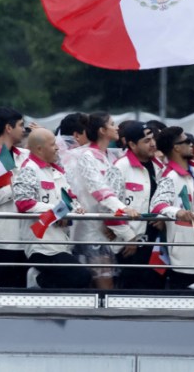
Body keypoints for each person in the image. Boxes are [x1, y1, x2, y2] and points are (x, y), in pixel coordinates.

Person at [14, 128, 92, 289]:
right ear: (39, 149)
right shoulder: (29, 169)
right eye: (52, 144)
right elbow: (24, 203)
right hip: (41, 244)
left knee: (74, 280)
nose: (57, 148)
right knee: (81, 276)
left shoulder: (56, 171)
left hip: (60, 242)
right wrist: (59, 210)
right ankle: (38, 282)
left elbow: (70, 198)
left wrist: (76, 209)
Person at [69, 112, 138, 290]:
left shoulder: (106, 158)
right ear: (102, 130)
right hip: (90, 235)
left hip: (104, 234)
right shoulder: (87, 157)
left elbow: (112, 194)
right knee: (104, 290)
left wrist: (119, 226)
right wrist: (123, 211)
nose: (117, 127)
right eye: (113, 124)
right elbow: (99, 190)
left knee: (103, 288)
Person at [150, 126, 194, 289]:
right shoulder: (170, 176)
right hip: (183, 242)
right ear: (176, 147)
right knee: (185, 287)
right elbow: (157, 205)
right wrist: (178, 212)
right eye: (187, 141)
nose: (192, 144)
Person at [112, 121, 165, 289]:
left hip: (155, 239)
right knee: (130, 286)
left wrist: (163, 219)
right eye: (146, 141)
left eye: (152, 139)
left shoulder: (160, 167)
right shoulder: (120, 167)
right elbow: (109, 205)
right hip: (129, 242)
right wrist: (129, 237)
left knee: (154, 286)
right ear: (132, 145)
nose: (153, 144)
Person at [0, 107, 30, 288]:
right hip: (0, 239)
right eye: (20, 125)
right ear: (8, 128)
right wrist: (14, 188)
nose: (23, 130)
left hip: (26, 237)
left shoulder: (25, 156)